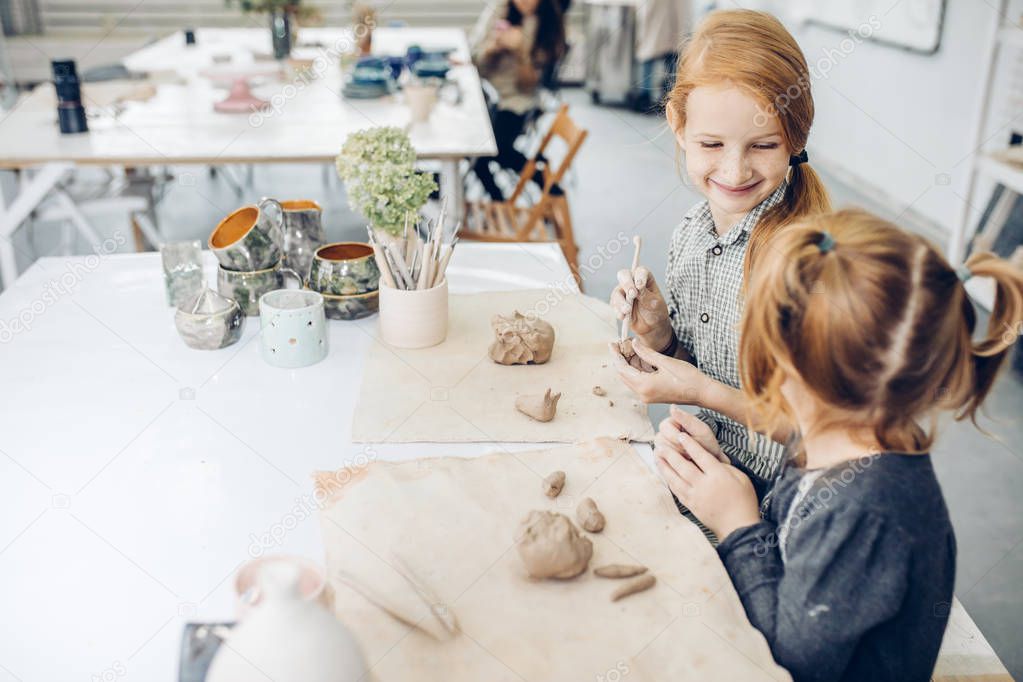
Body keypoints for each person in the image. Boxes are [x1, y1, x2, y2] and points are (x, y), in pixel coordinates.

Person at [653, 209, 1023, 681]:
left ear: (796, 373)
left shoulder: (869, 515)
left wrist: (736, 523)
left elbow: (791, 663)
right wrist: (729, 476)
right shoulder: (838, 442)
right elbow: (798, 544)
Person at [608, 9, 831, 538]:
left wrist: (703, 392)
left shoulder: (807, 262)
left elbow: (815, 426)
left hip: (776, 512)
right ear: (678, 128)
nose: (734, 171)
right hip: (702, 471)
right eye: (712, 145)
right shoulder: (691, 230)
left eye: (762, 146)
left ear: (796, 137)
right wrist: (660, 332)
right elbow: (696, 361)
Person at [470, 0, 567, 201]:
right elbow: (475, 60)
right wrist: (493, 48)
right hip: (488, 97)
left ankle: (504, 199)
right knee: (472, 147)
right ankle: (514, 190)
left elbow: (529, 86)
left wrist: (521, 52)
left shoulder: (547, 24)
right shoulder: (499, 10)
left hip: (520, 102)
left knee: (483, 153)